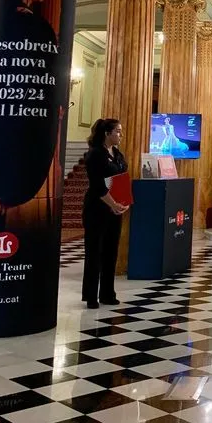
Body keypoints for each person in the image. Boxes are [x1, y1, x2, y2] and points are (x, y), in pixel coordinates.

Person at [82, 118, 128, 310]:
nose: (121, 134)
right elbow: (98, 186)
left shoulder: (116, 154)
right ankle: (92, 295)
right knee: (95, 253)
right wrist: (113, 203)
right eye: (117, 131)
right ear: (107, 133)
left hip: (114, 210)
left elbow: (122, 178)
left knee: (111, 252)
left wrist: (123, 203)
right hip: (97, 209)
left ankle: (108, 293)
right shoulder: (95, 155)